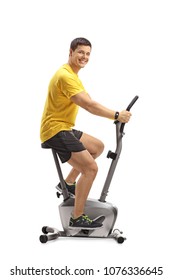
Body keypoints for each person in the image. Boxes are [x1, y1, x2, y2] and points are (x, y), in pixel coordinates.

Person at [40, 37, 131, 229]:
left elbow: (88, 100)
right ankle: (77, 217)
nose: (84, 57)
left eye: (88, 53)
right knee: (90, 169)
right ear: (71, 52)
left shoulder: (72, 75)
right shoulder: (65, 76)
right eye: (80, 52)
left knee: (97, 147)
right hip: (55, 130)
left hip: (63, 126)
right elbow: (89, 105)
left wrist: (111, 114)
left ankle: (69, 182)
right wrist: (116, 114)